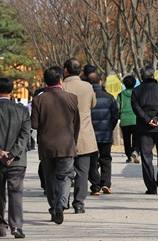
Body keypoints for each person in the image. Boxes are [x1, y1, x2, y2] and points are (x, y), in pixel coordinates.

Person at [0, 77, 31, 238]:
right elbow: (24, 136)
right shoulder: (22, 111)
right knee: (16, 192)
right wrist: (13, 153)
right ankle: (16, 226)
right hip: (17, 160)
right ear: (12, 92)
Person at [31, 66, 80, 225]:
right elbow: (76, 124)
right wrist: (74, 141)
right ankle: (61, 203)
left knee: (50, 177)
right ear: (60, 80)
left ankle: (53, 207)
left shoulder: (38, 99)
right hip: (66, 144)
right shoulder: (72, 98)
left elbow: (35, 124)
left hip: (46, 145)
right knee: (65, 176)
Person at [61, 58, 97, 213]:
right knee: (82, 171)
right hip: (84, 133)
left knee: (64, 171)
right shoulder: (87, 86)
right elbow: (93, 104)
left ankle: (63, 201)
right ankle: (79, 203)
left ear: (65, 70)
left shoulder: (61, 87)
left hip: (64, 134)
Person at [131, 65, 158, 194]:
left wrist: (147, 119)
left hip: (144, 128)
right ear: (154, 76)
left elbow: (136, 108)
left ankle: (151, 187)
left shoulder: (136, 91)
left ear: (141, 77)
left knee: (146, 157)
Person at [87, 72, 119, 195]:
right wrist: (110, 127)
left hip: (90, 134)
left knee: (92, 160)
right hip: (105, 133)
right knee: (105, 159)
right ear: (100, 81)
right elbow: (115, 114)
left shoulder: (87, 97)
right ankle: (106, 183)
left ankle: (95, 186)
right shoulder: (109, 97)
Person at [117, 75, 140, 163]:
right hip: (135, 118)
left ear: (124, 84)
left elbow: (117, 107)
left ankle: (129, 156)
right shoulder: (137, 94)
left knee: (126, 139)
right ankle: (135, 151)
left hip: (124, 119)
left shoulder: (120, 95)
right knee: (136, 137)